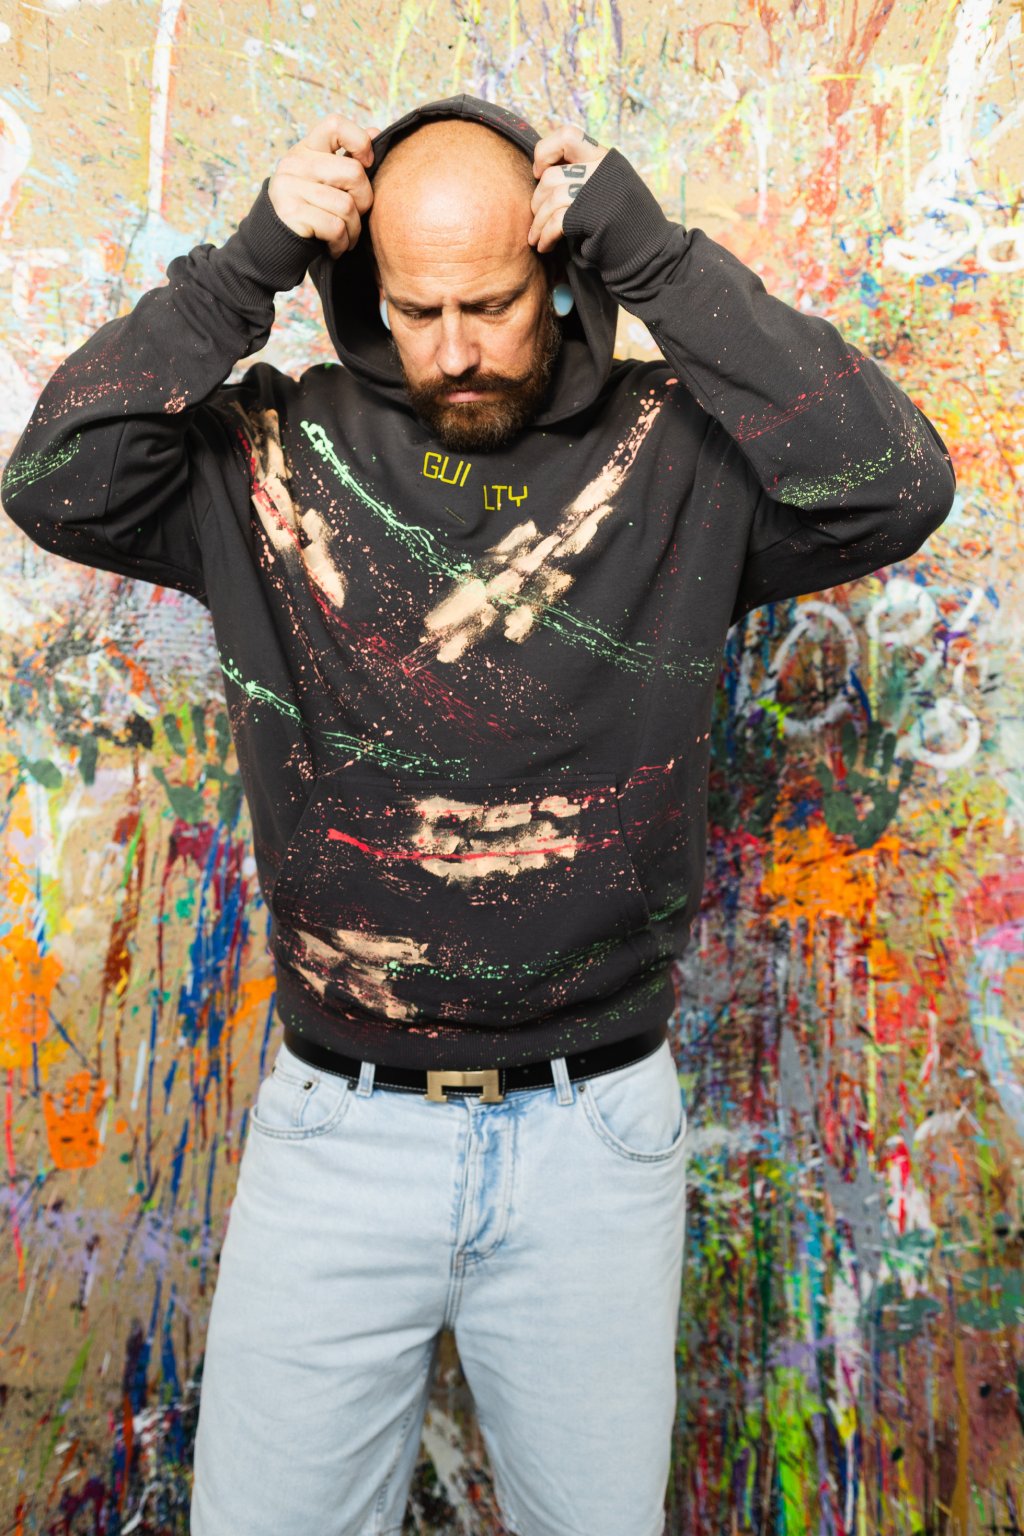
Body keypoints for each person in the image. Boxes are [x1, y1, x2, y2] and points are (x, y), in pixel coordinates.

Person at [1, 93, 955, 1536]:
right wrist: (245, 264)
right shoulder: (268, 458)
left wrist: (658, 255)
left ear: (561, 274)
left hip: (595, 1139)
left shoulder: (676, 456)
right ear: (363, 291)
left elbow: (898, 482)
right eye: (417, 309)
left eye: (494, 305)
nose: (454, 350)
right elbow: (54, 478)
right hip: (338, 1132)